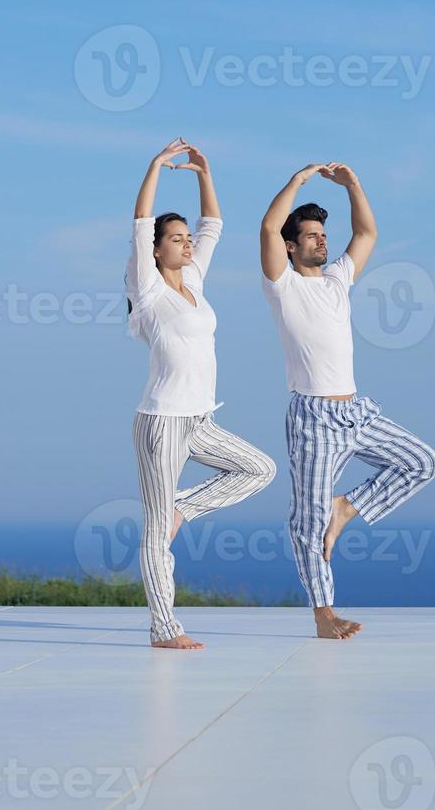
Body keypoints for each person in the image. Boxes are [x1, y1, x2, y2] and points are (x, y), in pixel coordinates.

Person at [260, 162, 435, 640]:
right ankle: (324, 615)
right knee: (307, 521)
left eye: (323, 233)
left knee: (422, 463)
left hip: (355, 411)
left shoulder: (338, 279)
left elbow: (367, 231)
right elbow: (265, 227)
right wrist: (297, 180)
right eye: (311, 235)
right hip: (313, 419)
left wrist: (353, 185)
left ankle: (347, 508)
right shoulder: (283, 284)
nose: (322, 241)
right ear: (290, 245)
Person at [125, 137, 276, 650]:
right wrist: (155, 167)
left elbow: (215, 226)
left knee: (259, 469)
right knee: (153, 533)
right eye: (176, 238)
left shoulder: (193, 279)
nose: (187, 243)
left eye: (187, 237)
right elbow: (140, 221)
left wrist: (203, 174)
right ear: (156, 249)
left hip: (200, 420)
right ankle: (164, 628)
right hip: (162, 423)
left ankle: (181, 510)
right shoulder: (148, 288)